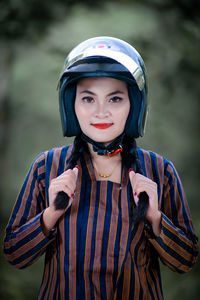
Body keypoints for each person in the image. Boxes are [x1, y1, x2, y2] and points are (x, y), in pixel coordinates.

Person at [3, 36, 198, 300]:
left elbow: (185, 261)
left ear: (134, 106)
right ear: (71, 105)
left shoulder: (160, 171)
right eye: (88, 99)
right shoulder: (46, 167)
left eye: (115, 99)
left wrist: (155, 217)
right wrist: (51, 214)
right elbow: (15, 254)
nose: (101, 112)